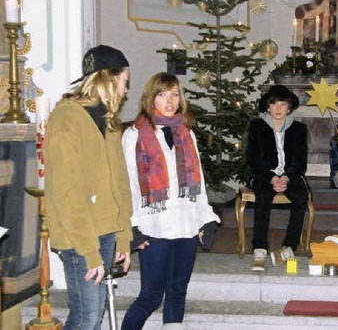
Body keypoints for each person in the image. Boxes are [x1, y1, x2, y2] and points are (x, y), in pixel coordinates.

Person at [120, 72, 221, 330]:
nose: (170, 100)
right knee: (151, 295)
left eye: (175, 94)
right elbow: (130, 184)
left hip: (186, 224)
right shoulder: (134, 134)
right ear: (151, 98)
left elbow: (197, 182)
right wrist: (133, 227)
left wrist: (206, 219)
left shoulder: (186, 133)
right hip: (154, 227)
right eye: (163, 94)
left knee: (178, 291)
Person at [43, 44, 133, 330]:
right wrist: (89, 252)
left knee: (91, 313)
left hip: (105, 229)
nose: (125, 91)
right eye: (124, 82)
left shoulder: (108, 122)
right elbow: (68, 194)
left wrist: (123, 236)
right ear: (108, 79)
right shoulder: (66, 118)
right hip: (78, 233)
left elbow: (119, 182)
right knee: (88, 316)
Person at [245, 84, 309, 271]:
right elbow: (254, 159)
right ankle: (259, 248)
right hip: (263, 174)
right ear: (267, 107)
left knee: (301, 197)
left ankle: (289, 246)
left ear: (289, 108)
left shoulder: (299, 129)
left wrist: (287, 177)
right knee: (263, 197)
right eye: (274, 104)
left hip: (289, 175)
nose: (279, 109)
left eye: (283, 104)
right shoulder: (256, 126)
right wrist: (272, 178)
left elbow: (300, 161)